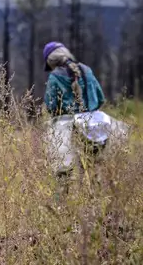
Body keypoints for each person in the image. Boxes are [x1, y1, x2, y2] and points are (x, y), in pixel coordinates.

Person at [42, 41, 106, 179]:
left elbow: (51, 107)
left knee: (63, 173)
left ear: (51, 61)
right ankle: (93, 199)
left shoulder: (55, 76)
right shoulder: (87, 70)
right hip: (95, 126)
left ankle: (62, 200)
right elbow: (101, 98)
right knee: (93, 171)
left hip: (67, 128)